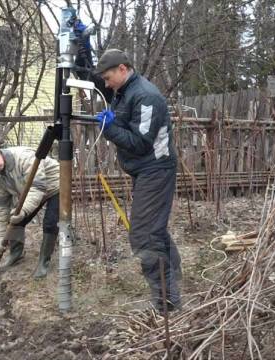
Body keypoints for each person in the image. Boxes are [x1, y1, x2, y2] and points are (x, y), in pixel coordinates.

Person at [78, 47, 182, 311]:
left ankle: (166, 303)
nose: (105, 83)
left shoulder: (146, 97)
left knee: (145, 235)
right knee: (154, 230)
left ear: (123, 70)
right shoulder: (123, 91)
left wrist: (109, 128)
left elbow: (139, 143)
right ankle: (174, 279)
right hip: (145, 170)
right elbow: (92, 79)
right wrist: (83, 44)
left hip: (156, 169)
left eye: (108, 78)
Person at [0, 143, 60, 279]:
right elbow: (0, 207)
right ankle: (16, 254)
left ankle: (44, 262)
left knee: (50, 223)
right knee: (14, 219)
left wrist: (23, 210)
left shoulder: (24, 158)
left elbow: (37, 188)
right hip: (31, 192)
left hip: (55, 185)